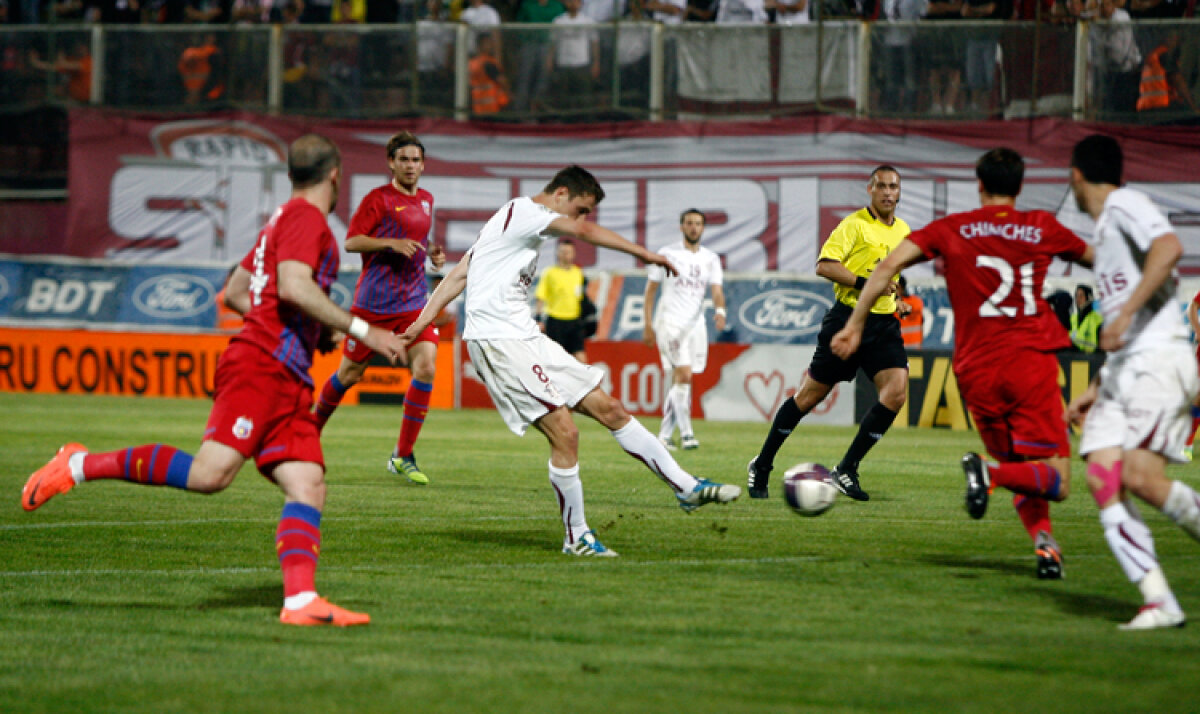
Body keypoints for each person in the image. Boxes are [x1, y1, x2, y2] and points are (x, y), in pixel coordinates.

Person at [21, 135, 408, 627]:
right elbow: (292, 286)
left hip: (287, 374)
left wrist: (315, 329)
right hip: (262, 366)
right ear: (335, 175)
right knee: (210, 475)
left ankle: (300, 602)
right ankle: (79, 464)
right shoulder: (306, 220)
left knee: (307, 482)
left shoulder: (278, 223)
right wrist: (361, 330)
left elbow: (237, 293)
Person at [399, 165, 741, 557]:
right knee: (566, 432)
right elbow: (583, 232)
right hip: (498, 339)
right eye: (580, 209)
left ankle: (686, 487)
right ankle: (576, 537)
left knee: (610, 408)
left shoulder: (510, 220)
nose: (578, 220)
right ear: (560, 194)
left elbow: (461, 272)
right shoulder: (528, 212)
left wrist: (422, 319)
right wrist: (646, 254)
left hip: (525, 335)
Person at [832, 148, 1094, 580]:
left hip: (976, 370)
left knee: (1024, 467)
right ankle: (988, 474)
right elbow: (1102, 260)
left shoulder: (951, 229)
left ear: (979, 183)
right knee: (1056, 478)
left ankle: (1045, 545)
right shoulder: (1041, 227)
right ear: (1021, 185)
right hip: (1030, 364)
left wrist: (856, 323)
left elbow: (887, 266)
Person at [1065, 134, 1200, 629]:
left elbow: (1170, 247)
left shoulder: (1124, 203)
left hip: (1159, 363)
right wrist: (1096, 388)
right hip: (1124, 373)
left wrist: (1121, 315)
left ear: (1077, 175)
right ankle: (1158, 601)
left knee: (1141, 479)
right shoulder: (1106, 231)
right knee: (1104, 478)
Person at [746, 165, 910, 502]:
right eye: (881, 186)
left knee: (896, 393)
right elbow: (825, 265)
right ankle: (762, 463)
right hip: (848, 320)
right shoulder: (853, 225)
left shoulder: (904, 230)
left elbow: (891, 276)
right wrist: (869, 284)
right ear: (870, 190)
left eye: (893, 186)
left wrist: (899, 299)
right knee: (808, 397)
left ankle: (847, 469)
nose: (888, 193)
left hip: (883, 324)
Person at [313, 131, 446, 486]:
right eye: (403, 159)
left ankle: (402, 455)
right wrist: (389, 243)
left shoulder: (427, 200)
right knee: (349, 375)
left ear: (423, 164)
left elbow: (416, 237)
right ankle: (308, 434)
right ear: (391, 163)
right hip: (374, 305)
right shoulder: (378, 199)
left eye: (416, 160)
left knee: (426, 366)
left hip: (414, 303)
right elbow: (353, 240)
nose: (410, 166)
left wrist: (431, 250)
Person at [642, 208, 726, 451]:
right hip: (670, 322)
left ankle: (664, 436)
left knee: (681, 380)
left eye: (698, 223)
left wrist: (720, 312)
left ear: (703, 228)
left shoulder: (711, 258)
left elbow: (717, 290)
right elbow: (651, 291)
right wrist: (647, 325)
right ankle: (687, 434)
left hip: (695, 325)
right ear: (681, 227)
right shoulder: (667, 254)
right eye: (689, 223)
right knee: (684, 374)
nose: (693, 227)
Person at [535, 238, 589, 362]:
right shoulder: (550, 273)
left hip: (574, 320)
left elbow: (580, 297)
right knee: (555, 358)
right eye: (562, 251)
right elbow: (540, 296)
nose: (565, 254)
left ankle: (586, 381)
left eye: (568, 252)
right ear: (557, 253)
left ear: (574, 254)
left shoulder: (578, 273)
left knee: (580, 356)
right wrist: (538, 318)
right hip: (555, 320)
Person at [469, 32, 510, 116]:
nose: (491, 45)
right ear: (480, 45)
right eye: (488, 43)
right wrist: (509, 95)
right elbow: (503, 81)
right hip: (493, 109)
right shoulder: (488, 63)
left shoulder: (472, 63)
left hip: (478, 109)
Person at [1069, 284, 1102, 352]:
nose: (1078, 299)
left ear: (1088, 298)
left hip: (1092, 359)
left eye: (1081, 296)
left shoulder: (1097, 320)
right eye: (1076, 296)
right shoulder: (1073, 318)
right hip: (1073, 358)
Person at [896, 274, 923, 349]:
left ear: (900, 288)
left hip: (900, 348)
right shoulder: (917, 301)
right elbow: (921, 324)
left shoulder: (896, 304)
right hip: (916, 347)